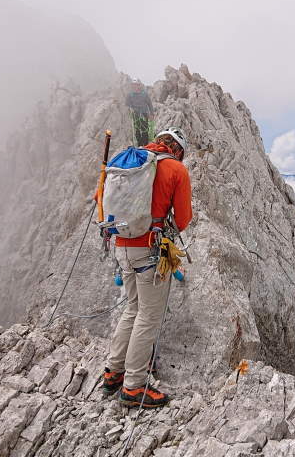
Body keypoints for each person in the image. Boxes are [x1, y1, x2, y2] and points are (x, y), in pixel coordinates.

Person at [101, 127, 192, 408]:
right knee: (149, 316)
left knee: (132, 308)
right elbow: (184, 218)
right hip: (149, 251)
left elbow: (100, 201)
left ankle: (113, 372)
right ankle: (135, 385)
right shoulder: (176, 169)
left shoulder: (126, 162)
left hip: (121, 246)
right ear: (177, 150)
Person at [126, 81, 155, 146]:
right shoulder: (130, 95)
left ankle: (145, 144)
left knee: (145, 129)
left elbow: (149, 104)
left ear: (139, 85)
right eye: (134, 85)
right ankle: (139, 144)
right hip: (135, 114)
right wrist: (130, 109)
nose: (135, 86)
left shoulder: (144, 94)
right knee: (137, 130)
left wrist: (152, 114)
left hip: (144, 114)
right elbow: (127, 104)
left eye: (136, 85)